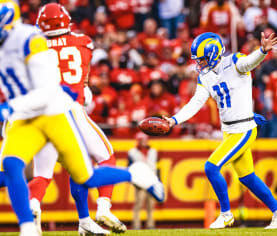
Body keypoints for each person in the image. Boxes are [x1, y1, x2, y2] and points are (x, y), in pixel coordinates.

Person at [0, 2, 164, 235]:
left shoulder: (30, 39)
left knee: (62, 174)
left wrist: (9, 111)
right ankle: (42, 223)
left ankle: (130, 179)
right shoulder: (82, 42)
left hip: (53, 111)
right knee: (18, 167)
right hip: (48, 111)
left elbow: (43, 85)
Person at [163, 32, 277, 229]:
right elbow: (196, 102)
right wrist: (174, 120)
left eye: (203, 59)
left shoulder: (234, 62)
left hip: (243, 129)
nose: (200, 63)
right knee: (247, 177)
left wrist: (262, 51)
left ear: (214, 54)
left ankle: (226, 214)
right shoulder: (205, 76)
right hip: (229, 130)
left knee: (211, 167)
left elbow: (248, 63)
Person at [28, 3, 125, 234]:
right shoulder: (84, 42)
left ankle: (37, 205)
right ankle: (103, 206)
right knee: (106, 156)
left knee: (43, 174)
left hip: (42, 114)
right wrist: (83, 89)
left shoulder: (32, 47)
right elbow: (81, 77)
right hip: (71, 109)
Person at [129, 132, 158, 229]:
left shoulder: (153, 151)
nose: (144, 142)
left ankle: (150, 225)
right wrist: (134, 181)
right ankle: (136, 225)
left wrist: (157, 180)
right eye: (142, 140)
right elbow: (130, 167)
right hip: (140, 181)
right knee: (138, 204)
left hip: (151, 181)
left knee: (151, 205)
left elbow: (155, 167)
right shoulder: (132, 152)